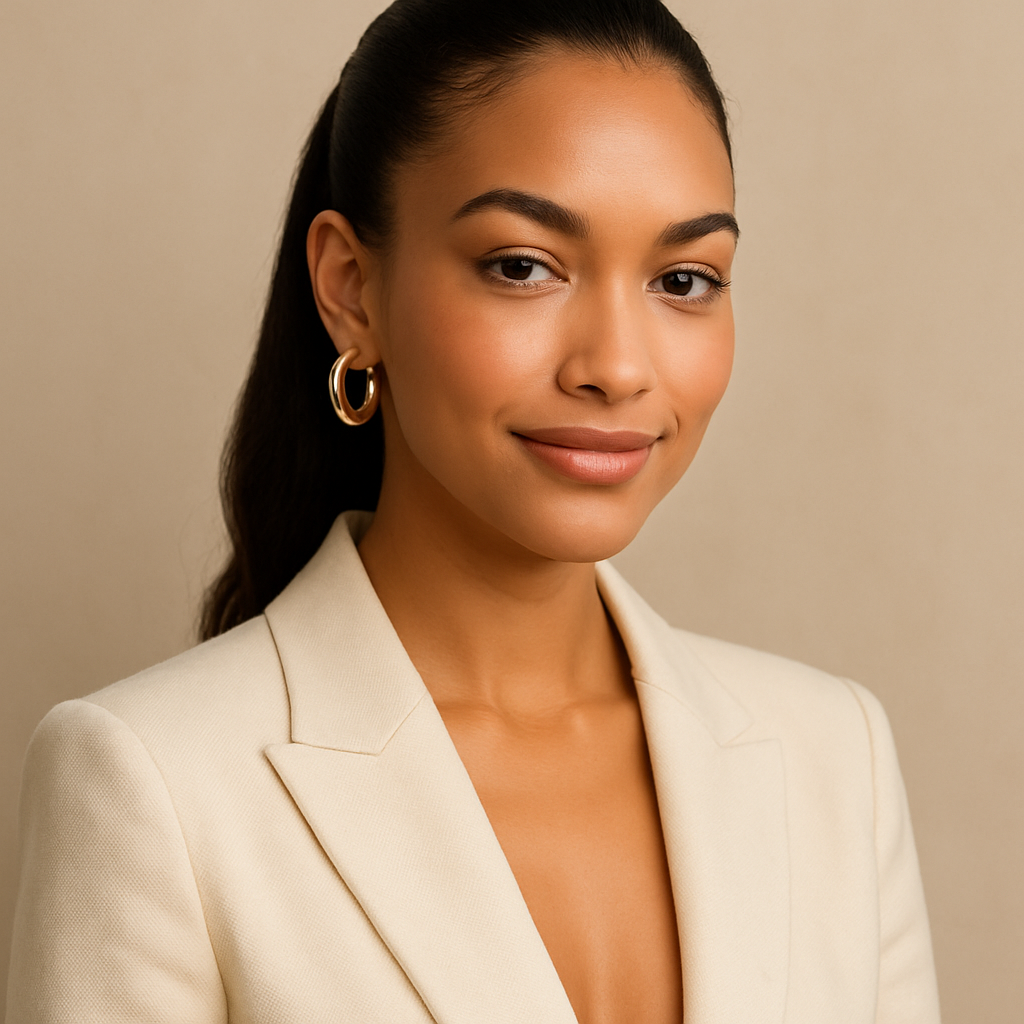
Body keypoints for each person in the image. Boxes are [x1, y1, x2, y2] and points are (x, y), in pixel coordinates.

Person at [5, 1, 941, 1021]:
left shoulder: (832, 755)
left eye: (683, 278)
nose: (617, 368)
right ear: (352, 289)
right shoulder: (151, 782)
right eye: (522, 266)